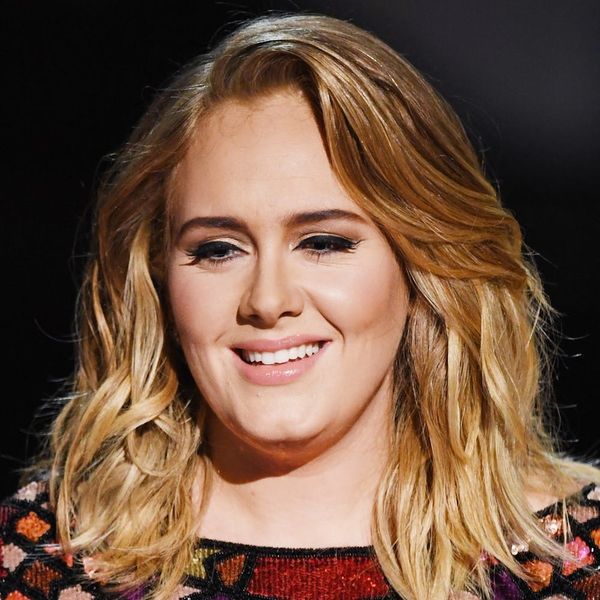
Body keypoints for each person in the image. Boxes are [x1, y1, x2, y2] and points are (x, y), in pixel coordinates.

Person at [1, 12, 599, 600]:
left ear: (423, 265)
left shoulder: (573, 561)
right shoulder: (48, 559)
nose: (268, 300)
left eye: (323, 243)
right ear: (158, 276)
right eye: (218, 249)